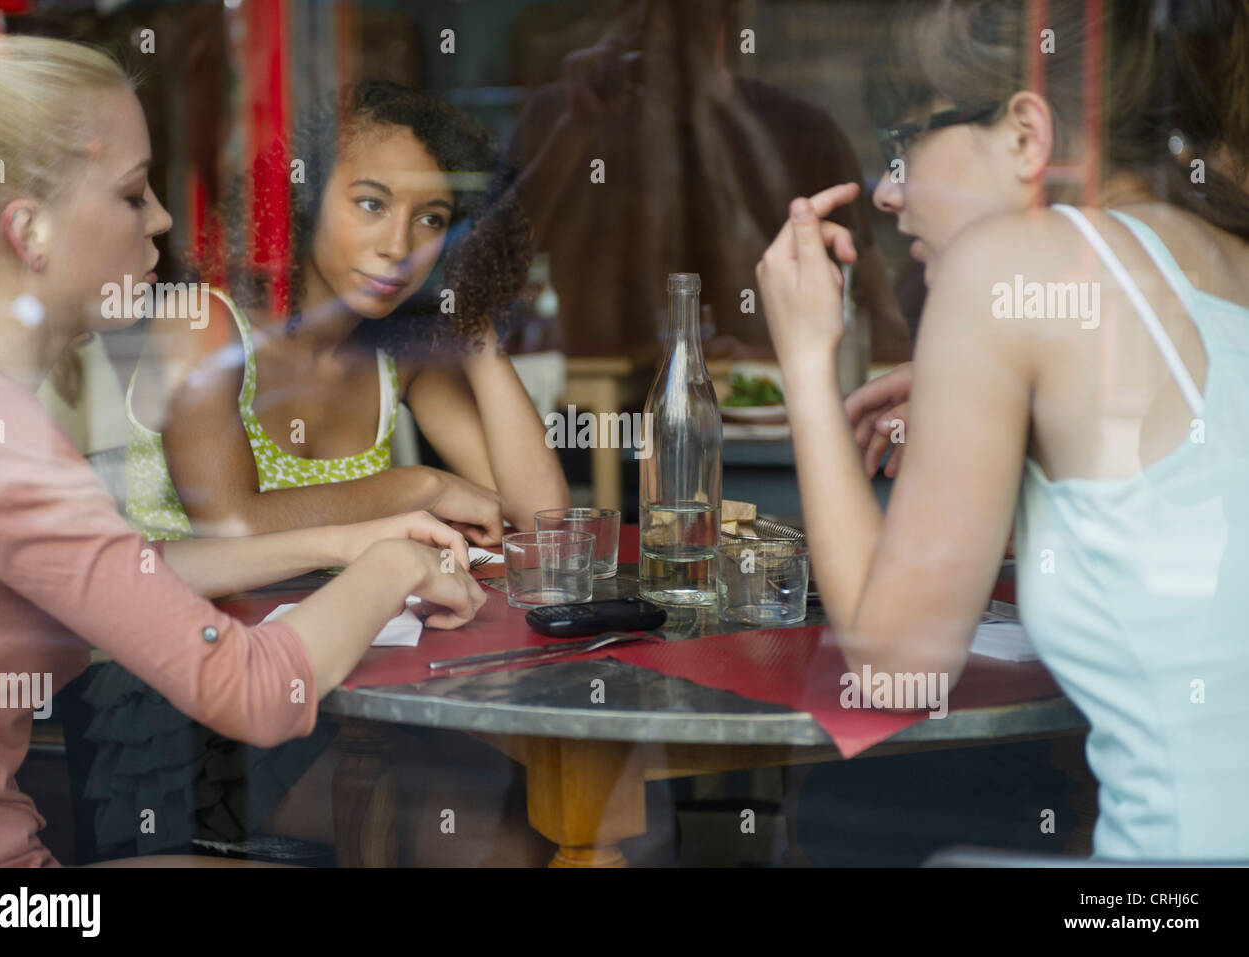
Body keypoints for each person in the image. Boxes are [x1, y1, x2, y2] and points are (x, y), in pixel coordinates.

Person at [0, 32, 486, 867]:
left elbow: (118, 572)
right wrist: (396, 569)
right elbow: (256, 691)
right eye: (133, 194)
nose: (163, 217)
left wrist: (338, 542)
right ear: (30, 231)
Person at [759, 0, 1249, 861]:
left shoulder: (1010, 266)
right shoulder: (1222, 258)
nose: (886, 189)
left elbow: (892, 675)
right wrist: (985, 396)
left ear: (1028, 134)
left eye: (906, 142)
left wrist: (804, 359)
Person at [79, 80, 569, 860]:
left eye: (432, 220)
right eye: (371, 204)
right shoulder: (204, 321)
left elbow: (543, 520)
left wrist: (471, 319)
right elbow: (232, 520)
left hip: (332, 676)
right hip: (175, 695)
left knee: (526, 813)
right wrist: (423, 485)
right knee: (487, 829)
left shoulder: (396, 352)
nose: (399, 243)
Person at [499, 0, 913, 362]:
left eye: (680, 6)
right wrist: (573, 131)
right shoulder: (559, 117)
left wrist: (768, 361)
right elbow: (484, 273)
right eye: (637, 2)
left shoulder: (803, 131)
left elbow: (885, 330)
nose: (656, 21)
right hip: (589, 423)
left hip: (767, 433)